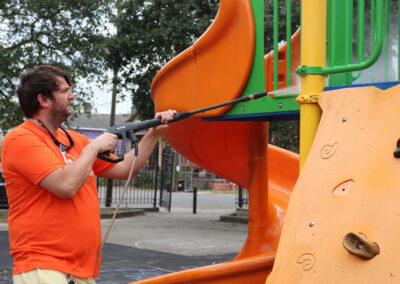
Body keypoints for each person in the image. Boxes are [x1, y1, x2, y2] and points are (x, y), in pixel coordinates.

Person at [0, 65, 176, 284]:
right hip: (43, 265)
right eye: (64, 91)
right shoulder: (21, 139)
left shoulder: (75, 140)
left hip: (82, 269)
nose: (72, 96)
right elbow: (66, 185)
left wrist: (153, 134)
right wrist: (93, 148)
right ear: (44, 100)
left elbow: (122, 169)